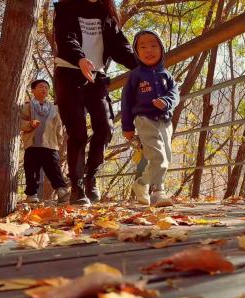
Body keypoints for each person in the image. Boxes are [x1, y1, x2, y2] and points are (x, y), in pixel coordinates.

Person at [53, 0, 138, 205]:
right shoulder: (65, 7)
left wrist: (142, 64)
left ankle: (91, 178)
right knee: (78, 133)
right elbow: (66, 37)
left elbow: (119, 45)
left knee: (105, 128)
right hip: (69, 74)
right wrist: (80, 59)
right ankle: (77, 186)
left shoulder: (106, 13)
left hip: (96, 78)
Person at [121, 30, 179, 207]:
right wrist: (127, 127)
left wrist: (166, 101)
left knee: (166, 158)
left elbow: (175, 94)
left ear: (161, 49)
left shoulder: (166, 75)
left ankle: (142, 184)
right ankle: (158, 191)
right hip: (144, 119)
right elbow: (126, 101)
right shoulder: (135, 75)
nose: (149, 50)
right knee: (158, 157)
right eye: (143, 46)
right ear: (137, 52)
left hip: (165, 121)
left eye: (154, 45)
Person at [20, 79, 69, 204]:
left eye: (47, 88)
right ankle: (31, 194)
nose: (44, 89)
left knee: (54, 169)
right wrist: (30, 124)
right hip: (32, 144)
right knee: (32, 170)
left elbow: (58, 126)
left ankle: (62, 191)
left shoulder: (54, 109)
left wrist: (58, 142)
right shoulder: (27, 106)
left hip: (50, 145)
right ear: (33, 90)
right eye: (41, 87)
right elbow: (20, 122)